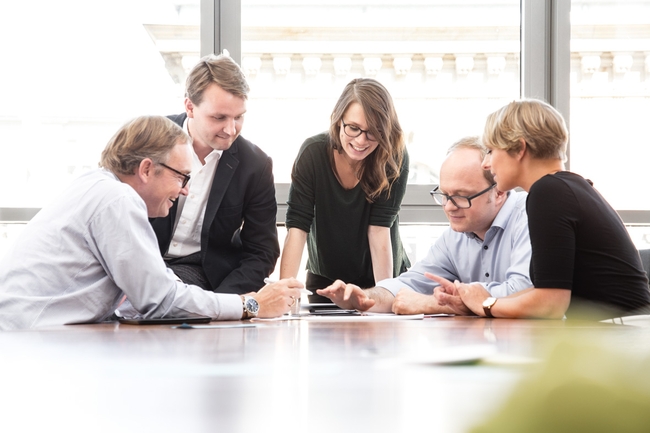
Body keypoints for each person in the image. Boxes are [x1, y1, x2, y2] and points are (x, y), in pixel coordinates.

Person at [0, 116, 303, 330]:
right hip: (29, 339)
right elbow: (160, 300)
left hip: (29, 333)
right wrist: (250, 305)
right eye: (182, 177)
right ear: (146, 169)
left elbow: (149, 291)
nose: (186, 189)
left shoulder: (97, 186)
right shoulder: (117, 200)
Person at [442, 99, 650, 320]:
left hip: (622, 337)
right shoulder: (568, 187)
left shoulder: (548, 192)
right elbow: (548, 291)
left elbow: (551, 304)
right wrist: (476, 302)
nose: (486, 163)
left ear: (520, 149)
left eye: (491, 151)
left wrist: (486, 303)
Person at [316, 137, 532, 314]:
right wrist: (364, 297)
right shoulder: (454, 237)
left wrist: (434, 303)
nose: (449, 207)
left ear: (500, 190)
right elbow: (410, 285)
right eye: (444, 195)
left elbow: (524, 291)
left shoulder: (530, 215)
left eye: (461, 196)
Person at [150, 54, 280, 295]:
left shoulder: (256, 165)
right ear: (190, 107)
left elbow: (262, 252)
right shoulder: (149, 140)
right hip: (143, 260)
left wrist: (223, 303)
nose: (231, 130)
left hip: (202, 274)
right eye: (219, 117)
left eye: (239, 117)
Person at [279, 78, 411, 302]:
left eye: (374, 132)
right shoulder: (313, 153)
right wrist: (284, 296)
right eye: (353, 128)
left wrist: (383, 298)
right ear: (338, 120)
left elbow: (379, 230)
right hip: (326, 281)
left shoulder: (394, 156)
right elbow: (297, 228)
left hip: (382, 277)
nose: (361, 140)